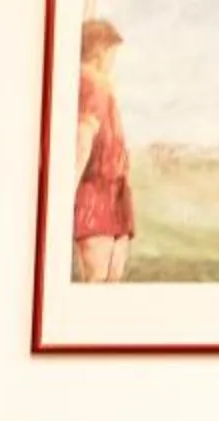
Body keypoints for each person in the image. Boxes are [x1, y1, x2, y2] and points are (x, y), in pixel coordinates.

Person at [72, 16, 133, 284]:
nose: (113, 60)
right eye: (111, 53)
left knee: (109, 277)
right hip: (96, 191)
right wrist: (69, 187)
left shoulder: (100, 84)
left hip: (114, 190)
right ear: (100, 50)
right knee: (99, 278)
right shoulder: (91, 82)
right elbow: (84, 136)